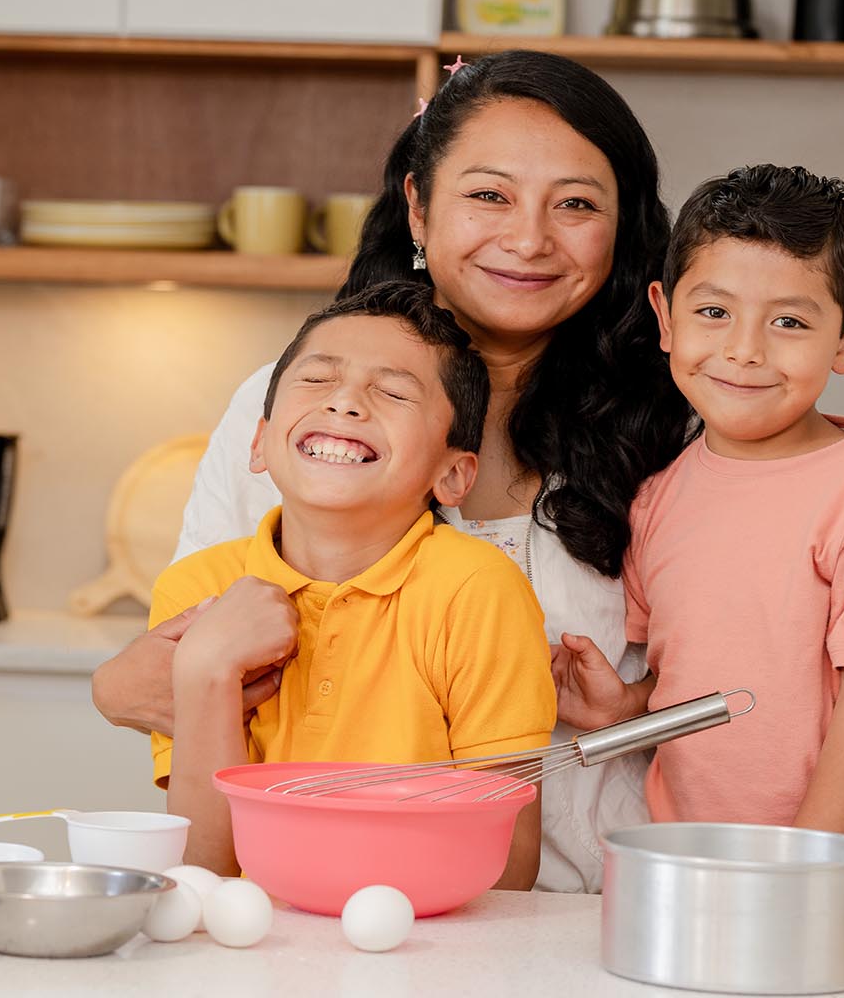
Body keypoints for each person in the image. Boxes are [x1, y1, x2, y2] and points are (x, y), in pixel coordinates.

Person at [93, 50, 844, 893]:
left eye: (576, 204)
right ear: (418, 207)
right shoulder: (311, 413)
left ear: (625, 228)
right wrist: (115, 686)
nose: (528, 238)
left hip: (624, 900)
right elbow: (192, 658)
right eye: (488, 194)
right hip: (350, 896)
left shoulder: (693, 413)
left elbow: (791, 629)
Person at [555, 164, 844, 858]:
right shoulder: (657, 494)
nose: (743, 350)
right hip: (698, 866)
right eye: (714, 312)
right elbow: (693, 681)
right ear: (665, 317)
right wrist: (626, 706)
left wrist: (802, 867)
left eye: (789, 321)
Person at [151, 281, 555, 886]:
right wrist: (206, 669)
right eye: (317, 379)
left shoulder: (478, 589)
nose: (344, 402)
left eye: (393, 392)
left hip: (422, 931)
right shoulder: (197, 588)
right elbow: (205, 868)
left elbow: (507, 867)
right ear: (258, 443)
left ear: (453, 475)